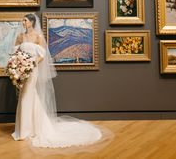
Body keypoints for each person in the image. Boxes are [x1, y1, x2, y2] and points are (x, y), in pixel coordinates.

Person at [11, 13, 114, 148]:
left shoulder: (38, 37)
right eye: (23, 20)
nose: (23, 22)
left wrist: (31, 63)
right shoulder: (20, 37)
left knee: (26, 95)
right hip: (22, 70)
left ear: (31, 22)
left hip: (32, 69)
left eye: (25, 20)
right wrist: (19, 64)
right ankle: (28, 127)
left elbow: (42, 55)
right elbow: (15, 53)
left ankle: (27, 130)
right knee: (26, 95)